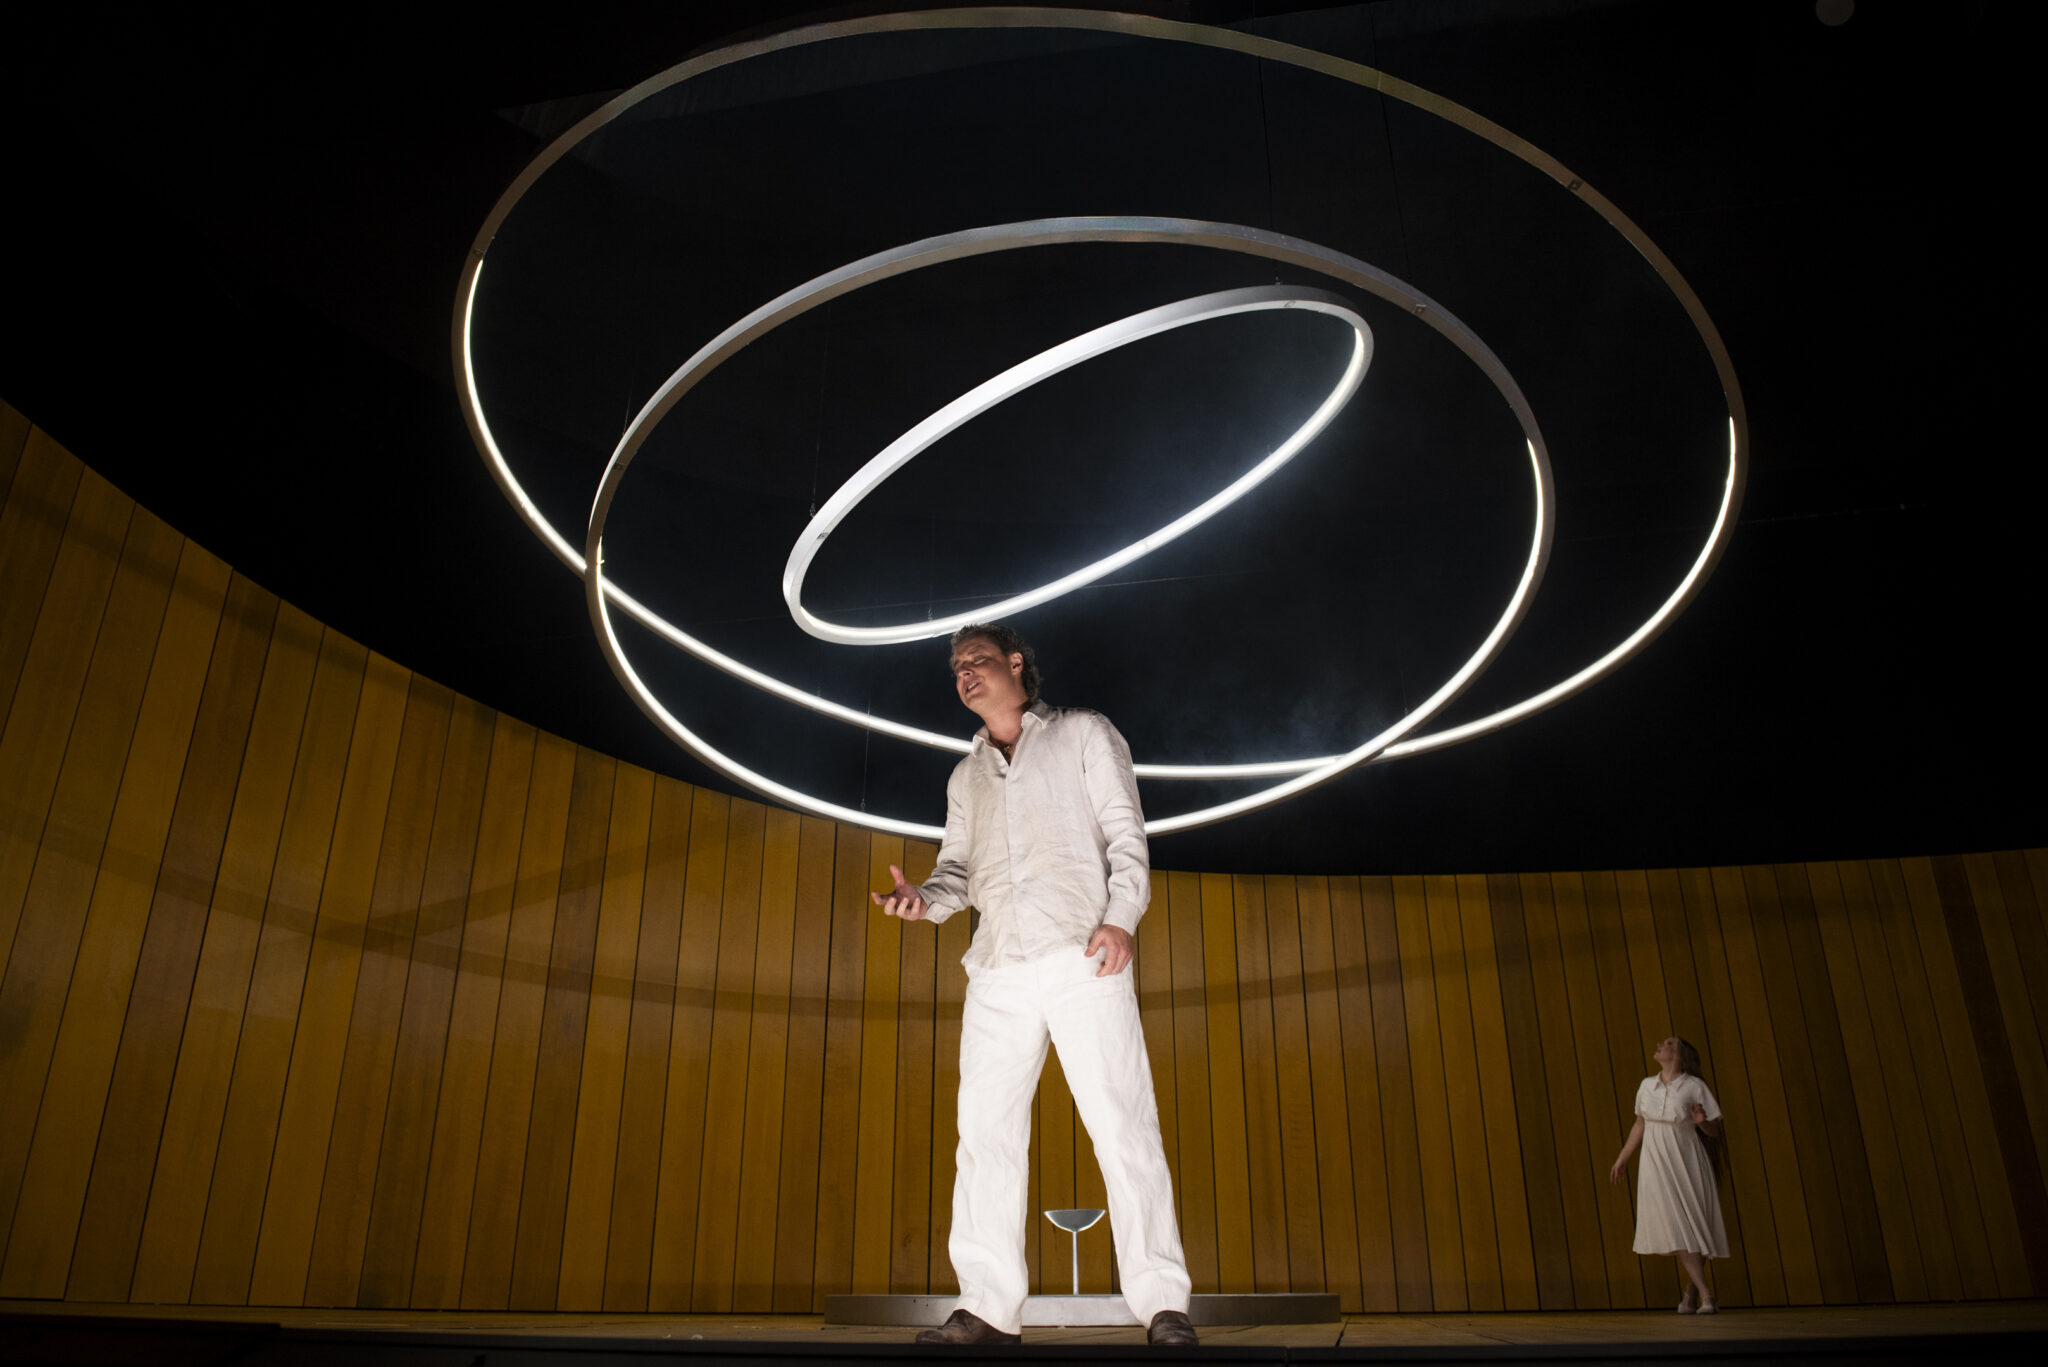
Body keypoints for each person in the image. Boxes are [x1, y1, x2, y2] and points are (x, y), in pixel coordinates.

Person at [873, 623, 1197, 1347]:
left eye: (977, 659)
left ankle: (1161, 1303)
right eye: (956, 667)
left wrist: (1121, 919)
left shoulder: (1084, 733)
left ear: (1015, 664)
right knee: (984, 1136)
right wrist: (923, 900)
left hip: (1083, 953)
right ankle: (988, 1307)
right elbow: (957, 872)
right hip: (996, 969)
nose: (965, 673)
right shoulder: (965, 776)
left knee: (1122, 1122)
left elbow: (1126, 835)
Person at [1609, 1035, 1729, 1313]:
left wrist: (1702, 1123)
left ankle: (1691, 1294)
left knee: (1695, 1225)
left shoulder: (1694, 1086)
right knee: (1678, 1225)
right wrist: (1622, 1159)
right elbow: (1639, 1125)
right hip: (1655, 1161)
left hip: (1686, 1159)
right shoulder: (1646, 1085)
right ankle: (1705, 1295)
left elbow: (1714, 1130)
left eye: (1668, 1044)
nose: (1660, 1046)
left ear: (1680, 1054)